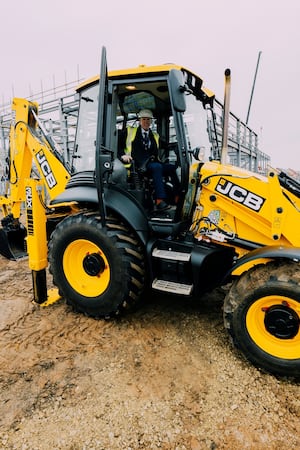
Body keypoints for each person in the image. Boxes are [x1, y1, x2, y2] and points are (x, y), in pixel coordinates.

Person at [118, 109, 180, 210]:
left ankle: (177, 196)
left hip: (152, 163)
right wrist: (122, 155)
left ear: (151, 121)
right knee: (157, 167)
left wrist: (178, 145)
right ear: (139, 120)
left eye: (148, 119)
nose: (146, 122)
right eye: (144, 119)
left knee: (171, 168)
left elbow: (166, 145)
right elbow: (116, 144)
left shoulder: (154, 135)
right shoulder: (129, 131)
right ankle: (159, 200)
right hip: (138, 165)